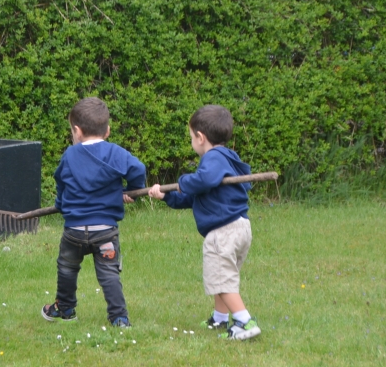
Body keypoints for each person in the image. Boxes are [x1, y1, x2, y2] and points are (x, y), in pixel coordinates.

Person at [148, 104, 261, 340]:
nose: (192, 141)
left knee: (222, 279)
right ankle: (219, 319)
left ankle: (245, 322)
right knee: (223, 276)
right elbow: (193, 197)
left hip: (224, 231)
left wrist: (182, 181)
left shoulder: (213, 158)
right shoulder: (227, 159)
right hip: (239, 227)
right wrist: (166, 196)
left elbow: (203, 180)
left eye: (191, 137)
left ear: (200, 137)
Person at [42, 97, 146, 328]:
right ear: (107, 131)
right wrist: (133, 190)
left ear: (77, 131)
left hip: (74, 231)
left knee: (67, 268)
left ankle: (65, 309)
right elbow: (138, 169)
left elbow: (61, 182)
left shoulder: (70, 155)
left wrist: (61, 204)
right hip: (105, 231)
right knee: (109, 273)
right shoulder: (116, 153)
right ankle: (119, 318)